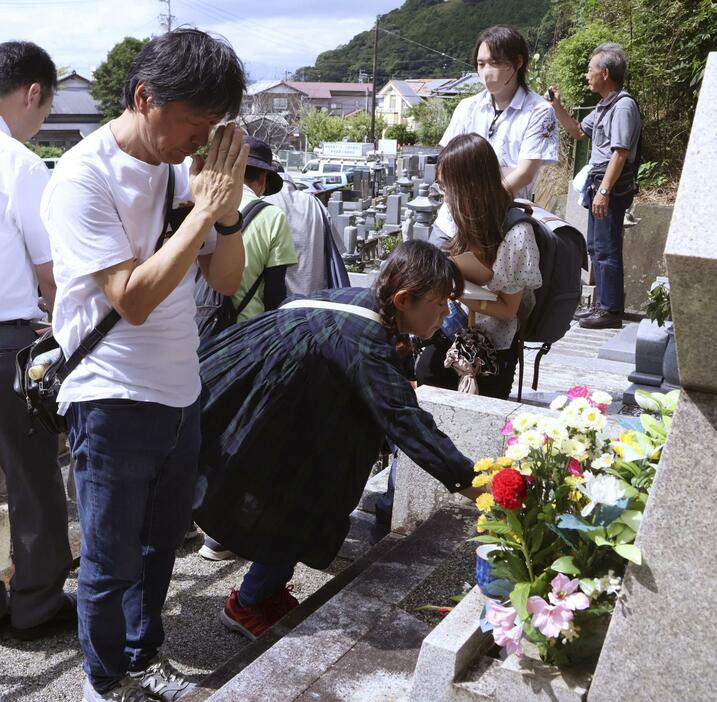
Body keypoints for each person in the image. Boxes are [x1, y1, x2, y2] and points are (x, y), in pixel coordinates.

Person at [42, 29, 249, 702]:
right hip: (109, 396)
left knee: (163, 546)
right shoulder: (83, 175)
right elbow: (130, 299)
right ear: (145, 98)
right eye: (194, 121)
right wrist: (203, 211)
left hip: (178, 390)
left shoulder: (177, 172)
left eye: (213, 126)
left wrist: (226, 215)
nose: (201, 138)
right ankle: (102, 683)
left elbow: (224, 280)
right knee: (107, 559)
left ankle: (142, 656)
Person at [194, 241, 483, 640]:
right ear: (403, 298)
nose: (446, 313)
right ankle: (246, 604)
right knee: (289, 505)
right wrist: (480, 487)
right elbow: (407, 423)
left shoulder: (370, 305)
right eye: (439, 303)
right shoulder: (363, 336)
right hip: (251, 405)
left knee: (301, 498)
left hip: (279, 403)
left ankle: (262, 592)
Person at [0, 40, 77, 642]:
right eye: (48, 108)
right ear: (32, 93)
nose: (43, 120)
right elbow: (48, 270)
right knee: (33, 480)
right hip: (8, 343)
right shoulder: (19, 164)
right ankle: (35, 604)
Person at [417, 133, 542, 400]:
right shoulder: (454, 216)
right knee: (427, 379)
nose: (444, 194)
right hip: (449, 332)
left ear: (470, 184)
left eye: (446, 185)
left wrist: (460, 294)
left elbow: (509, 310)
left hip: (491, 352)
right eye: (440, 185)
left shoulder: (516, 233)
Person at [433, 25, 559, 243]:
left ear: (518, 63)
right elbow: (447, 161)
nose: (486, 71)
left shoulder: (539, 111)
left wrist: (483, 206)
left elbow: (525, 173)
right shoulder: (467, 107)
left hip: (504, 224)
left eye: (496, 63)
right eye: (481, 64)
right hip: (452, 221)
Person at [547, 43, 640, 329]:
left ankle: (611, 310)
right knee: (597, 247)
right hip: (598, 184)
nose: (587, 75)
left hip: (611, 186)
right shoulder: (603, 105)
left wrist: (604, 191)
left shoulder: (623, 106)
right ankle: (601, 306)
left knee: (608, 247)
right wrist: (557, 106)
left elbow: (620, 153)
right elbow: (577, 131)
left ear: (606, 73)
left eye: (591, 69)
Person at [230, 137, 297, 322]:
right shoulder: (273, 217)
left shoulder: (204, 206)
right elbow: (274, 290)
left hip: (198, 326)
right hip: (246, 329)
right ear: (263, 178)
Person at [264, 170, 346, 296]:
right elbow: (337, 248)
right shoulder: (314, 203)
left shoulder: (263, 203)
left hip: (277, 298)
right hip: (315, 295)